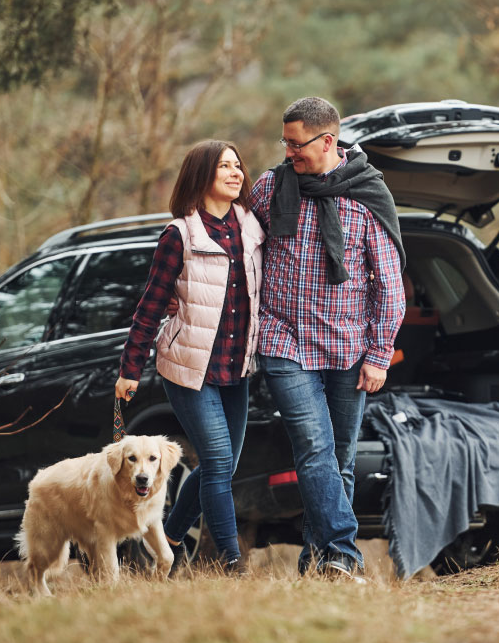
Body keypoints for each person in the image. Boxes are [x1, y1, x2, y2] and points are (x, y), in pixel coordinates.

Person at [249, 97, 406, 580]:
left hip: (347, 349)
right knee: (314, 448)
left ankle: (318, 560)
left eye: (296, 144)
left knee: (338, 459)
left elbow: (391, 286)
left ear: (328, 141)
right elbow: (232, 246)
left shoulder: (365, 196)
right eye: (286, 143)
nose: (289, 152)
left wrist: (379, 356)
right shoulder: (271, 187)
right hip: (284, 342)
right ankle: (343, 553)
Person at [115, 139, 265, 572]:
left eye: (238, 166)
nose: (236, 173)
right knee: (217, 462)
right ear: (202, 176)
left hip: (237, 367)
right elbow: (150, 305)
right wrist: (130, 367)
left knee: (223, 466)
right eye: (224, 167)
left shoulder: (253, 229)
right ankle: (231, 564)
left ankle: (170, 537)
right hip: (188, 368)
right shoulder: (179, 235)